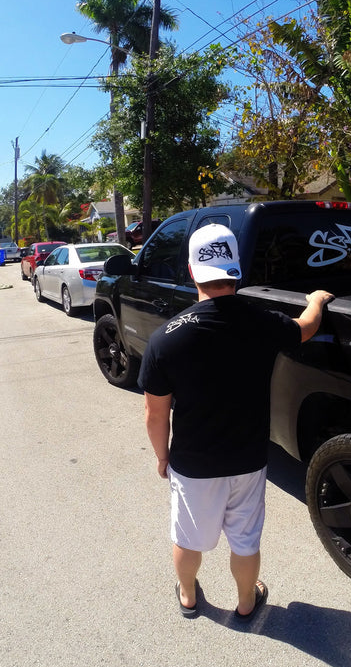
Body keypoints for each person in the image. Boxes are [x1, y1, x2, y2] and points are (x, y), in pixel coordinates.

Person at [139, 222, 334, 621]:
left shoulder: (166, 338)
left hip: (193, 464)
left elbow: (155, 413)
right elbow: (306, 327)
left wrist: (163, 457)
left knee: (188, 538)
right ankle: (247, 603)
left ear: (193, 272)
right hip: (247, 459)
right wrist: (316, 299)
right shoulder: (263, 322)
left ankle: (189, 596)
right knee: (245, 540)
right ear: (235, 270)